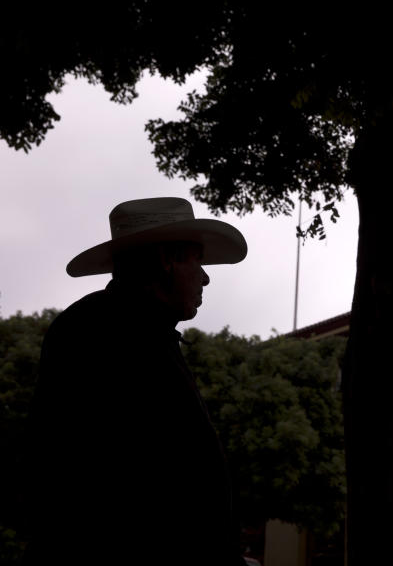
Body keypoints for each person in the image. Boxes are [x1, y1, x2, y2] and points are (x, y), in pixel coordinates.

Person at [25, 197, 248, 565]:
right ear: (167, 260)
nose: (206, 277)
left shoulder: (134, 329)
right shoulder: (103, 331)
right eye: (199, 261)